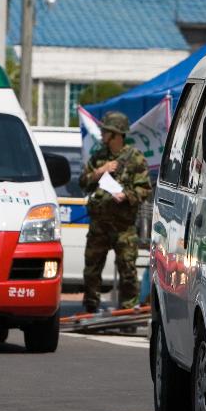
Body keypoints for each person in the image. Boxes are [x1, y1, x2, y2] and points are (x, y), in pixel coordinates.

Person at [78, 111, 152, 313]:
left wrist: (127, 195)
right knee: (92, 269)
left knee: (127, 270)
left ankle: (128, 309)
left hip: (123, 227)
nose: (102, 134)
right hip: (99, 224)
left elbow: (145, 188)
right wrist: (100, 171)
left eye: (106, 131)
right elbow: (83, 183)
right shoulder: (99, 156)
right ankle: (90, 306)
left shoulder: (134, 158)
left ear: (116, 134)